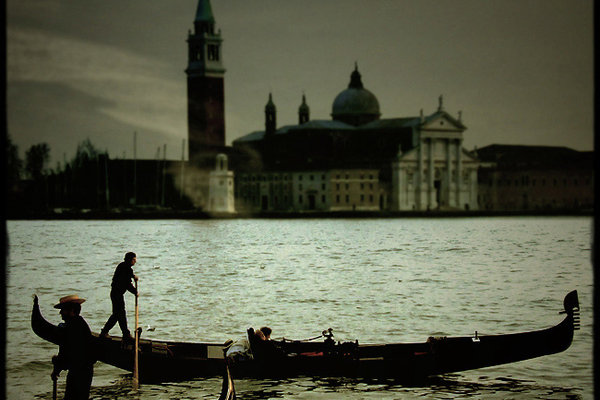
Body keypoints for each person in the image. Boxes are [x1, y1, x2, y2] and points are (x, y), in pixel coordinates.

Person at [50, 294, 96, 400]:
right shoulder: (80, 323)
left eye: (63, 310)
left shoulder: (71, 327)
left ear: (71, 310)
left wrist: (57, 368)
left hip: (79, 372)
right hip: (84, 370)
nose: (60, 313)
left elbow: (65, 351)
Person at [100, 252, 138, 341]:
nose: (135, 262)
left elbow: (128, 275)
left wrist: (133, 276)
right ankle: (105, 332)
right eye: (134, 260)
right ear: (130, 260)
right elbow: (127, 284)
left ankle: (125, 333)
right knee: (117, 314)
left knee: (120, 314)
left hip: (116, 293)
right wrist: (135, 292)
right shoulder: (126, 268)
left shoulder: (123, 266)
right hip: (116, 294)